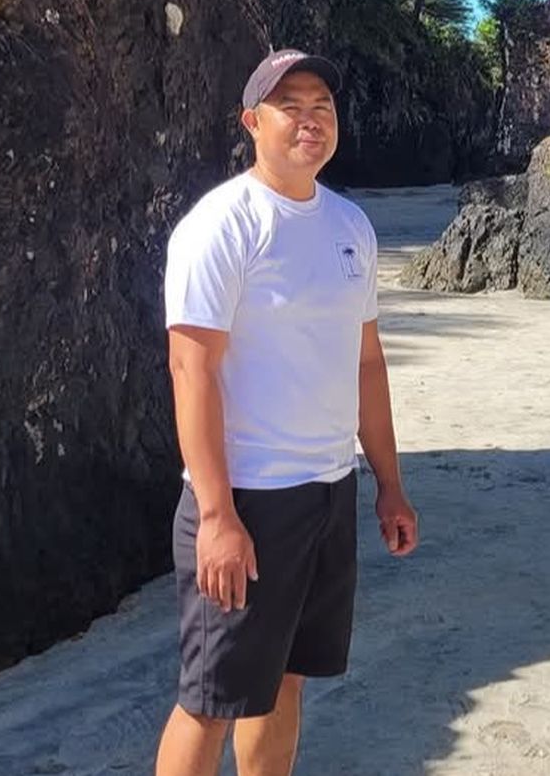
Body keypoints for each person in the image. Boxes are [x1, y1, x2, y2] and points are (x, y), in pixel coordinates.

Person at [155, 49, 418, 776]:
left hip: (328, 491)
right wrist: (217, 516)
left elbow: (366, 363)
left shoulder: (350, 225)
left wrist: (389, 484)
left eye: (322, 107)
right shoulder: (222, 225)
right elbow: (191, 368)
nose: (310, 121)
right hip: (247, 498)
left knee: (285, 681)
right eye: (290, 107)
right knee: (211, 698)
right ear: (252, 123)